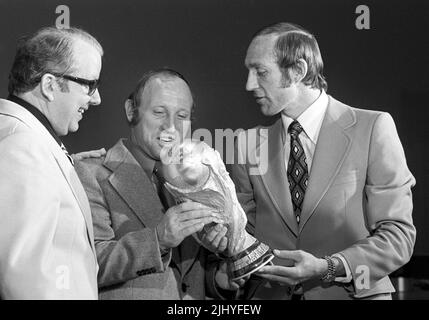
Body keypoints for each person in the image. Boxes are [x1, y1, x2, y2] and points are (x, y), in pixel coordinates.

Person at [231, 22, 416, 300]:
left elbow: (398, 236)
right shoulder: (245, 145)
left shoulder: (373, 127)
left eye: (261, 72)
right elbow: (244, 232)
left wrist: (328, 268)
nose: (249, 84)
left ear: (298, 71)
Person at [75, 69, 238, 300]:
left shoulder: (197, 181)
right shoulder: (90, 173)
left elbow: (188, 275)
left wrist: (220, 277)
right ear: (131, 111)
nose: (170, 127)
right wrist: (158, 240)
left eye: (182, 116)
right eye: (159, 112)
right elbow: (88, 264)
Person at [0, 26, 103, 299]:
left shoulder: (28, 143)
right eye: (90, 84)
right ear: (49, 85)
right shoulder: (22, 148)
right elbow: (22, 278)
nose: (96, 98)